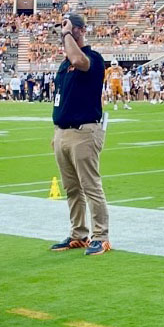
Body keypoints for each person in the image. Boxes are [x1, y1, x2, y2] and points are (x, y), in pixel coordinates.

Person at [50, 13, 111, 256]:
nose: (63, 31)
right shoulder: (65, 65)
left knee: (90, 186)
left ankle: (101, 236)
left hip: (84, 130)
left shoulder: (93, 58)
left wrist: (66, 34)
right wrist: (56, 131)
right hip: (64, 132)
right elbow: (60, 99)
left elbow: (78, 58)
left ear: (80, 30)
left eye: (68, 27)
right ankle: (79, 233)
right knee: (71, 188)